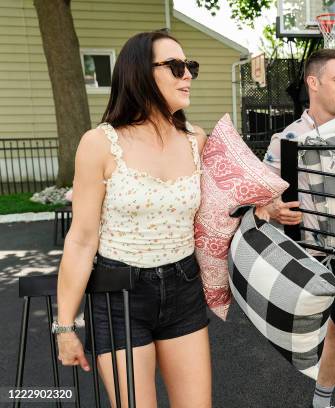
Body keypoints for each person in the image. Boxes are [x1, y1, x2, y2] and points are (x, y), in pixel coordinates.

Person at [55, 30, 212, 408]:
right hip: (118, 295)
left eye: (189, 66)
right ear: (140, 73)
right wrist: (65, 327)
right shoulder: (99, 143)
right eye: (176, 67)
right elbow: (81, 240)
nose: (187, 74)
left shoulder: (196, 139)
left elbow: (217, 209)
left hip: (183, 287)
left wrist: (263, 206)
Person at [261, 49, 335, 408]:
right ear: (314, 83)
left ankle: (321, 400)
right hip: (327, 263)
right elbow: (260, 200)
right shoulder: (287, 141)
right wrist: (275, 210)